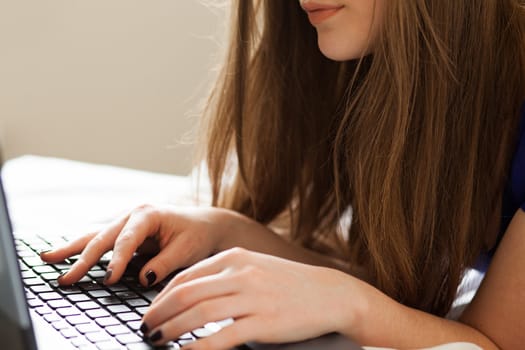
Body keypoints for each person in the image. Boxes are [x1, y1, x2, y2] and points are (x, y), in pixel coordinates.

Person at [40, 0, 525, 349]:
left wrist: (350, 303)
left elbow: (493, 343)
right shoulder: (381, 69)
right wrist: (225, 231)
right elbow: (395, 288)